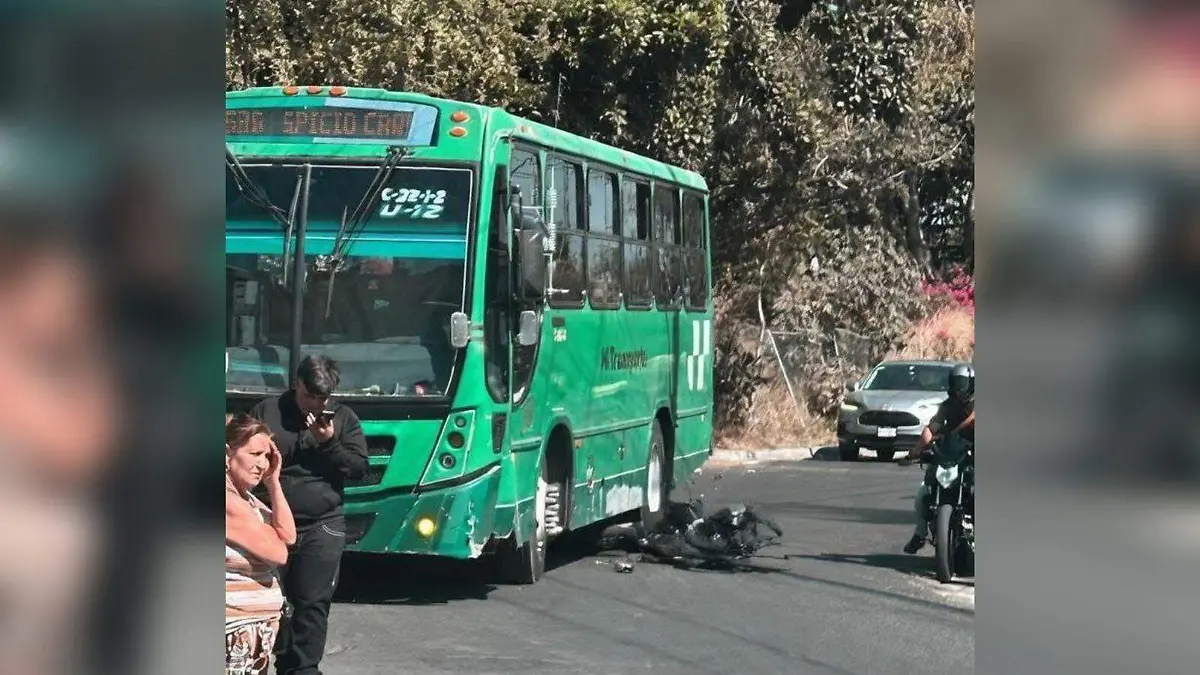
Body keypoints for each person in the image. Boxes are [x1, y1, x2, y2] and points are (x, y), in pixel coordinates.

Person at [251, 354, 368, 675]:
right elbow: (246, 458)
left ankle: (302, 670)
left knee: (312, 606)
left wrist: (329, 442)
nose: (315, 405)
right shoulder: (268, 411)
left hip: (322, 525)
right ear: (296, 384)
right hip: (269, 522)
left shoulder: (342, 417)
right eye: (309, 396)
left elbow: (358, 468)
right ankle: (266, 662)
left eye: (322, 398)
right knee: (268, 603)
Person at [226, 413, 296, 675]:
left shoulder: (248, 500)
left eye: (267, 456)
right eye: (255, 454)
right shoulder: (228, 501)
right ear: (227, 453)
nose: (262, 464)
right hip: (232, 635)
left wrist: (274, 483)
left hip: (252, 633)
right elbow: (278, 553)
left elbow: (288, 535)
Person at [902, 363, 975, 554]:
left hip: (971, 458)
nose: (960, 388)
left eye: (963, 384)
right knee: (921, 496)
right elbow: (931, 428)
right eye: (956, 383)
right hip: (947, 456)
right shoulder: (946, 406)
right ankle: (920, 535)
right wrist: (917, 450)